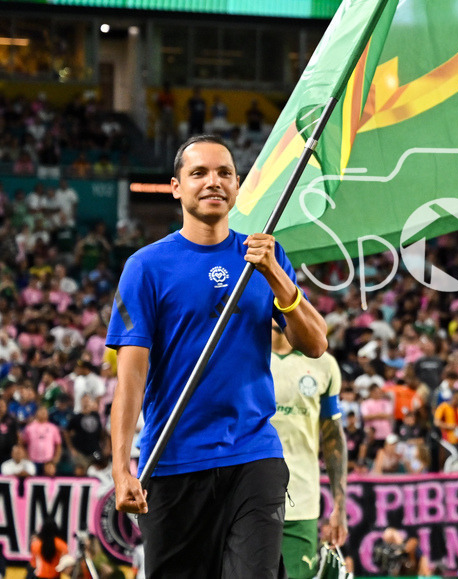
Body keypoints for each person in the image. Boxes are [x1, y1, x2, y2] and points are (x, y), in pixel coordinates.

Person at [107, 134, 328, 578]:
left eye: (224, 172)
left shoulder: (264, 255)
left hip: (253, 455)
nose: (213, 182)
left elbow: (316, 343)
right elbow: (130, 380)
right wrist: (120, 468)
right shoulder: (145, 267)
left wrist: (276, 277)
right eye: (199, 173)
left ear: (238, 185)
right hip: (172, 463)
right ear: (175, 186)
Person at [270, 321, 348, 579]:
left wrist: (339, 505)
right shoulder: (241, 356)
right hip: (242, 495)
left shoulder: (323, 364)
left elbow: (333, 438)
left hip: (300, 500)